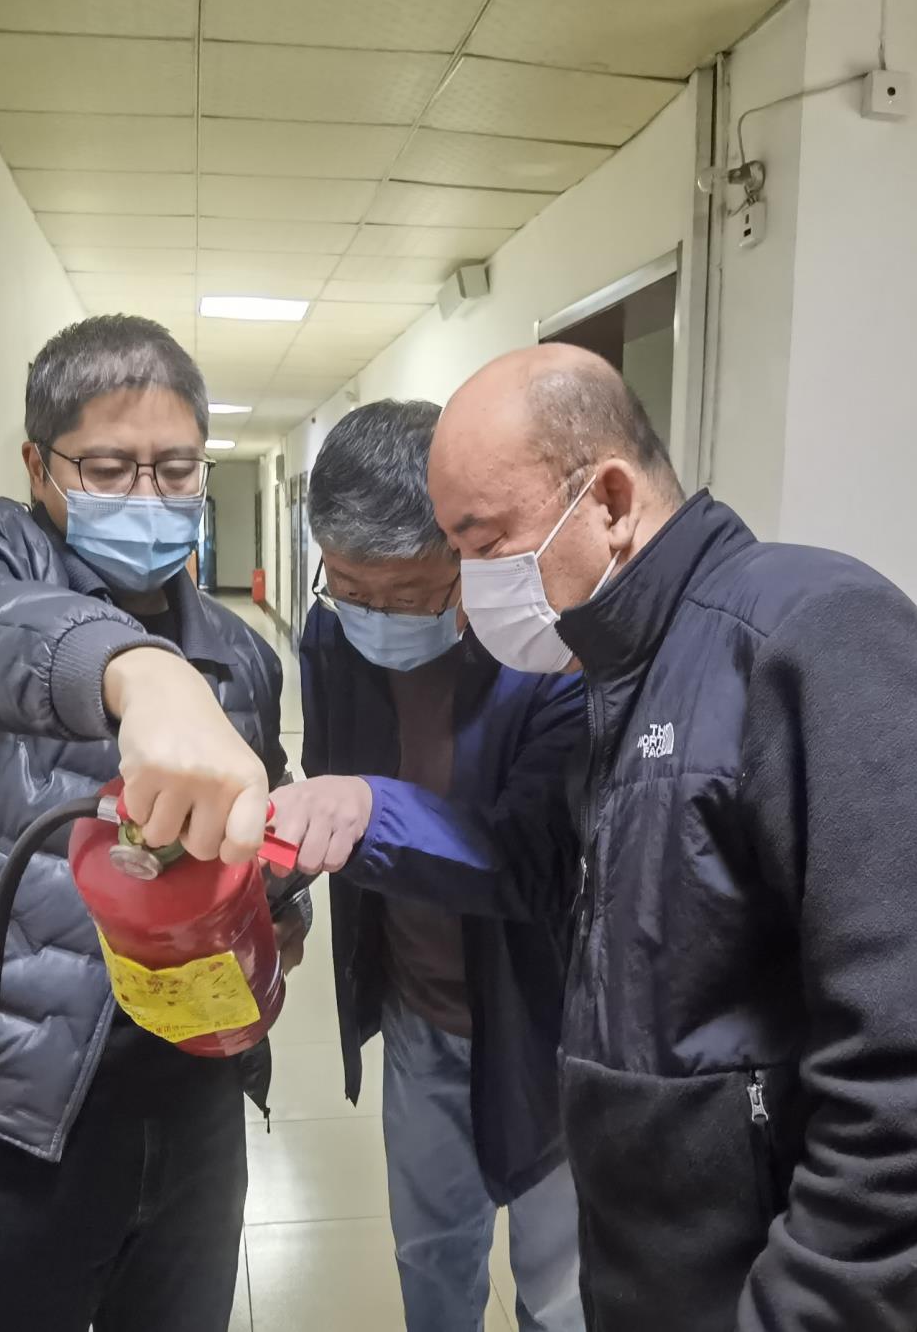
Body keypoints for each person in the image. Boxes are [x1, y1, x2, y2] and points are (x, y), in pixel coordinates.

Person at [425, 343, 917, 1330]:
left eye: (485, 543)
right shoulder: (623, 676)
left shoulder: (815, 636)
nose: (470, 587)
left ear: (608, 501)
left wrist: (798, 1307)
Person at [0, 315, 298, 1332]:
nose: (148, 496)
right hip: (1, 1101)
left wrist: (277, 903)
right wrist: (138, 672)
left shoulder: (239, 652)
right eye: (109, 468)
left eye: (176, 469)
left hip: (191, 1088)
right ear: (40, 467)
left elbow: (257, 823)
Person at [265, 400, 586, 1332]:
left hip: (550, 1026)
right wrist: (272, 883)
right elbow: (330, 789)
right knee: (431, 1257)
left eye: (405, 594)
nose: (374, 616)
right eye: (347, 586)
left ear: (466, 551)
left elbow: (532, 861)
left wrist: (370, 807)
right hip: (420, 1011)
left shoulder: (554, 657)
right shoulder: (331, 638)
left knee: (562, 1290)